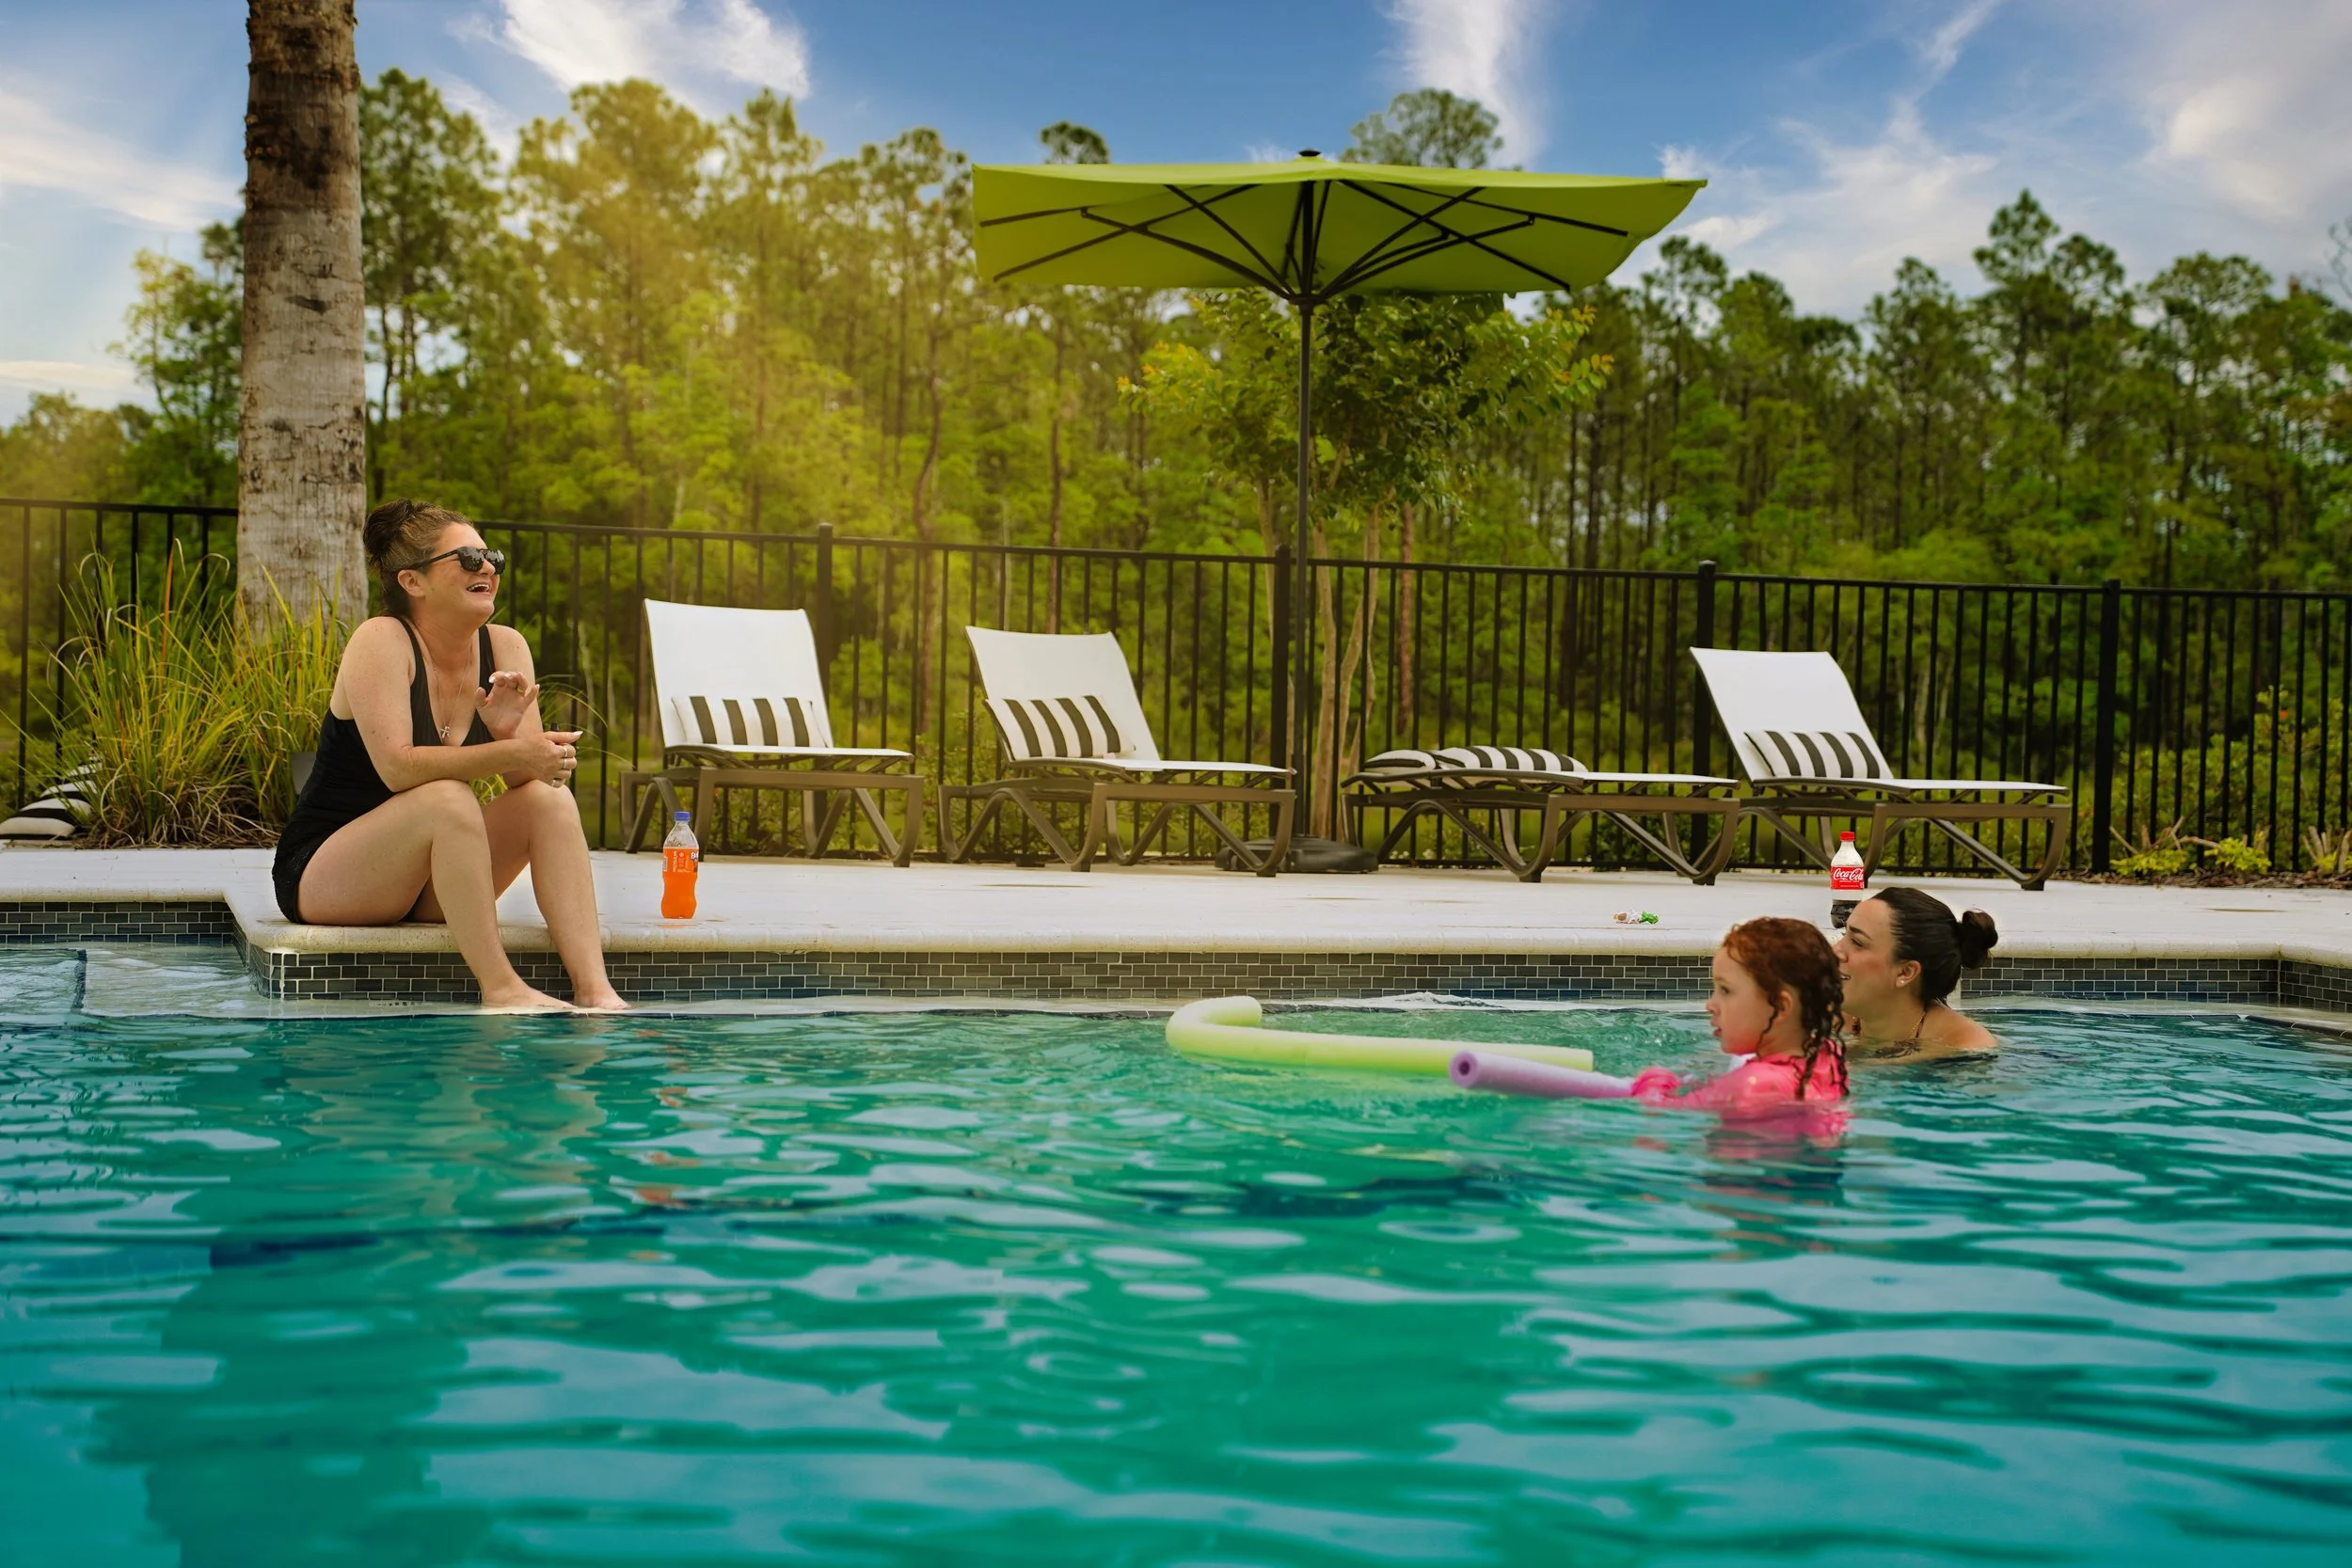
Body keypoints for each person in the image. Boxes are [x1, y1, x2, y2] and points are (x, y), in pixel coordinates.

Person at [271, 499, 626, 1011]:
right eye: (466, 559)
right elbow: (398, 769)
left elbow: (534, 781)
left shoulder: (506, 647)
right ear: (412, 581)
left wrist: (508, 741)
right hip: (329, 876)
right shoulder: (381, 640)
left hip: (432, 883)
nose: (487, 569)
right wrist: (508, 747)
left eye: (492, 558)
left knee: (548, 804)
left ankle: (596, 992)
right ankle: (501, 988)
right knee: (447, 798)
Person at [1630, 916, 1849, 1115]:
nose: (1710, 1005)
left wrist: (1655, 1081)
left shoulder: (1749, 1086)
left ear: (1780, 1007)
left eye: (1725, 990)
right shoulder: (1828, 1058)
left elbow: (1662, 1112)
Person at [1833, 886, 1997, 1060]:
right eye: (1845, 933)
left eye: (1858, 942)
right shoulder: (1827, 1018)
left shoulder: (1967, 1051)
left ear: (1905, 972)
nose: (1835, 950)